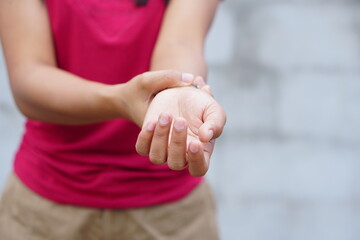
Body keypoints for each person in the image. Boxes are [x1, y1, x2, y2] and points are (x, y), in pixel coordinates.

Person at [0, 0, 226, 239]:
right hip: (45, 206)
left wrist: (177, 90)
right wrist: (119, 100)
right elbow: (29, 77)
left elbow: (181, 43)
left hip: (170, 214)